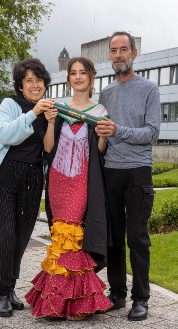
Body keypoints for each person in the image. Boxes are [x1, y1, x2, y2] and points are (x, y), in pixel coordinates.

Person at [25, 57, 113, 319]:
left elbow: (98, 153)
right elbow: (49, 149)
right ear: (68, 78)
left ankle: (71, 302)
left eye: (82, 73)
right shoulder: (58, 107)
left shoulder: (99, 112)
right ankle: (57, 301)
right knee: (60, 236)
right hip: (58, 178)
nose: (77, 77)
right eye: (73, 73)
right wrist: (51, 122)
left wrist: (104, 137)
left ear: (91, 77)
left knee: (73, 235)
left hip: (82, 180)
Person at [95, 31, 161, 321]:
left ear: (134, 53)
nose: (118, 55)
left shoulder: (149, 88)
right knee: (114, 238)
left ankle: (141, 299)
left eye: (124, 49)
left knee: (137, 237)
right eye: (113, 50)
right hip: (111, 171)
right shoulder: (106, 93)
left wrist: (118, 131)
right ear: (110, 55)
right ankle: (117, 294)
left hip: (138, 171)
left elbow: (152, 133)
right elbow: (99, 133)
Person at [0, 58, 53, 317]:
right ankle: (1, 293)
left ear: (45, 83)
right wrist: (34, 113)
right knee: (5, 236)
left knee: (22, 237)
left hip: (32, 178)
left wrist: (51, 121)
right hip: (3, 174)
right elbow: (6, 135)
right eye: (29, 80)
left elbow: (49, 148)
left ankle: (10, 287)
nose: (35, 85)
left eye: (38, 80)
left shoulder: (49, 110)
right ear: (21, 86)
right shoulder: (10, 105)